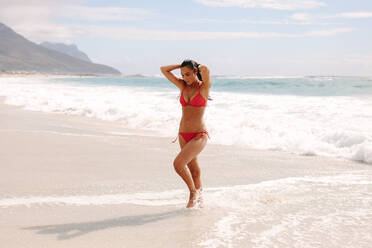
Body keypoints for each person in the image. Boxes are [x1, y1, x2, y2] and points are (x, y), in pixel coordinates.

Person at [160, 59, 211, 208]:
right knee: (194, 171)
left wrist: (197, 65)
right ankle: (200, 203)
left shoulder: (204, 88)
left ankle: (193, 193)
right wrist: (180, 67)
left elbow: (206, 70)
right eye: (183, 75)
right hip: (183, 135)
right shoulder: (182, 85)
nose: (185, 78)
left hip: (199, 135)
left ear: (196, 72)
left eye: (188, 74)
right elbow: (164, 69)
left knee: (178, 164)